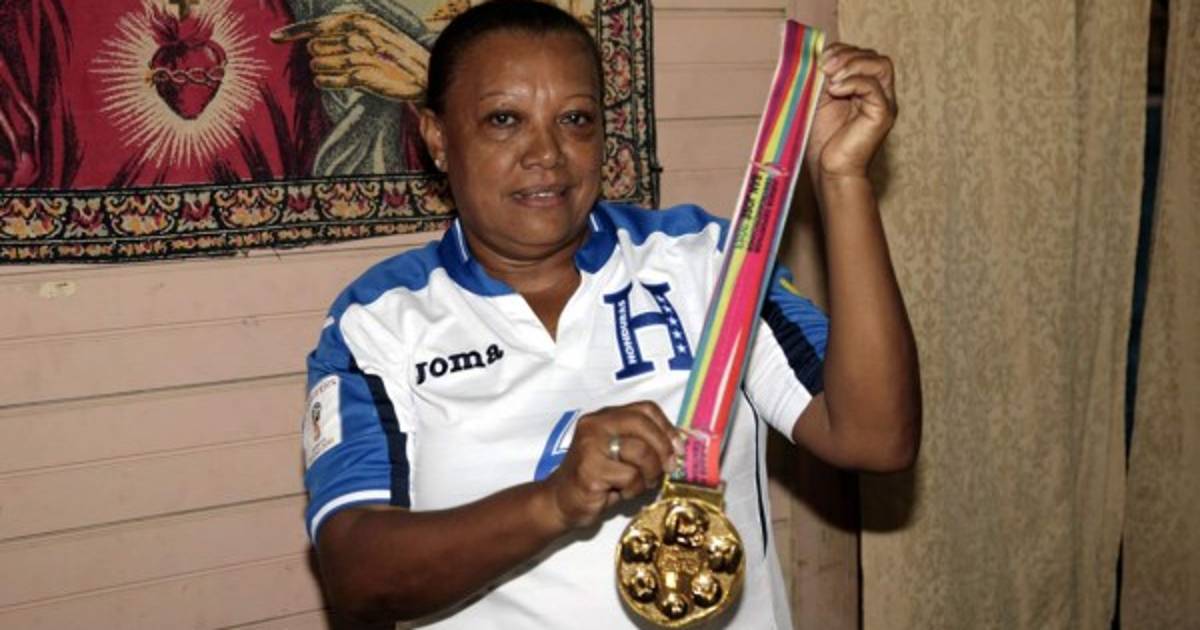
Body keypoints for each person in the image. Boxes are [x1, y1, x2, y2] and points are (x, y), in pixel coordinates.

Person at [300, 1, 920, 627]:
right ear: (437, 137)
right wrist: (554, 502)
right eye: (504, 120)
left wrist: (842, 178)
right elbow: (358, 575)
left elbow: (876, 437)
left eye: (575, 119)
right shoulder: (378, 321)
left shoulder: (706, 262)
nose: (546, 153)